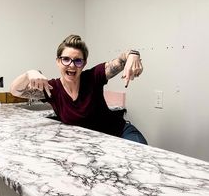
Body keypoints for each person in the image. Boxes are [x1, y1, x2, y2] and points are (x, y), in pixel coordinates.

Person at [10, 34, 147, 144]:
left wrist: (133, 54)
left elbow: (121, 60)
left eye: (78, 60)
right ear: (58, 61)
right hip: (96, 144)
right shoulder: (52, 89)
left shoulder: (93, 77)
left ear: (84, 63)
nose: (71, 65)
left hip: (121, 133)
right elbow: (15, 91)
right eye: (66, 59)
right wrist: (29, 74)